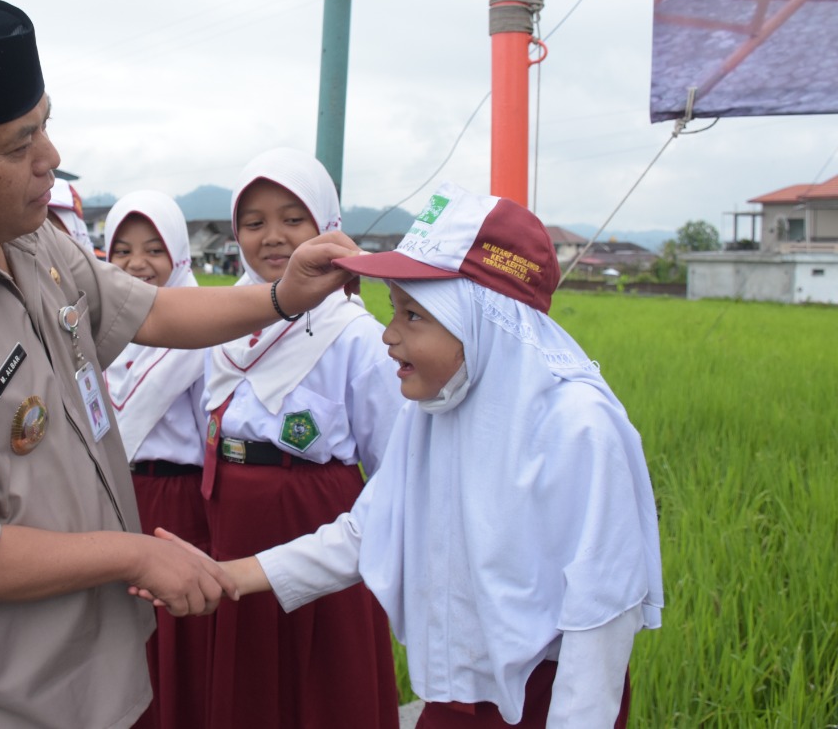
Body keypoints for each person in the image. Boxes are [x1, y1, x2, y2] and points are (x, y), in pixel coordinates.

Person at [0, 0, 362, 728]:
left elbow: (153, 310)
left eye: (44, 125)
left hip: (95, 670)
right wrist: (133, 556)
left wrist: (282, 297)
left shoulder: (22, 236)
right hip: (4, 698)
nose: (49, 160)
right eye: (18, 145)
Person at [202, 182, 665, 728]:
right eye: (394, 310)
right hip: (454, 694)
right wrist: (229, 575)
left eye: (413, 316)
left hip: (545, 700)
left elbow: (601, 618)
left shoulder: (578, 427)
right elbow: (367, 531)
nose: (389, 336)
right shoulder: (436, 408)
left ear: (480, 318)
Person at [197, 148, 403, 729]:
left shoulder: (354, 335)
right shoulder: (223, 323)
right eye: (254, 222)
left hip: (315, 526)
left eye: (294, 219)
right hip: (231, 522)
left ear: (327, 225)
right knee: (247, 681)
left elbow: (396, 468)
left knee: (321, 685)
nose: (273, 237)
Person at [104, 191, 211, 729]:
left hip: (177, 503)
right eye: (121, 251)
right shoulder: (99, 333)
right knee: (123, 628)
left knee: (174, 630)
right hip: (119, 498)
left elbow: (209, 433)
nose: (136, 264)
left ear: (179, 258)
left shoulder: (202, 333)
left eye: (153, 250)